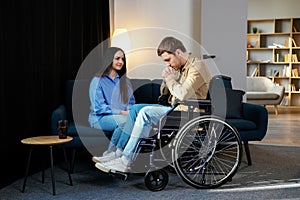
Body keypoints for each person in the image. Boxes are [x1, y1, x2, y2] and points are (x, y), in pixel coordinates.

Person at [95, 36, 212, 173]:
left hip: (189, 113)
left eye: (168, 60)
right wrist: (166, 79)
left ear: (178, 53)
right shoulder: (180, 68)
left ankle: (126, 160)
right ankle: (117, 153)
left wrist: (170, 79)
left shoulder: (197, 66)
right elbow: (164, 95)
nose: (167, 64)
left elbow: (183, 94)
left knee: (144, 113)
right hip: (175, 109)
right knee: (135, 109)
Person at [88, 47, 135, 158]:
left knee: (129, 122)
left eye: (122, 59)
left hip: (122, 117)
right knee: (126, 122)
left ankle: (114, 154)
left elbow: (131, 102)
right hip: (99, 118)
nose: (121, 62)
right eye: (117, 58)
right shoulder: (97, 80)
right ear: (110, 59)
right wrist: (122, 112)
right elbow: (99, 108)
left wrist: (129, 110)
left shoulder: (125, 81)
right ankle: (111, 152)